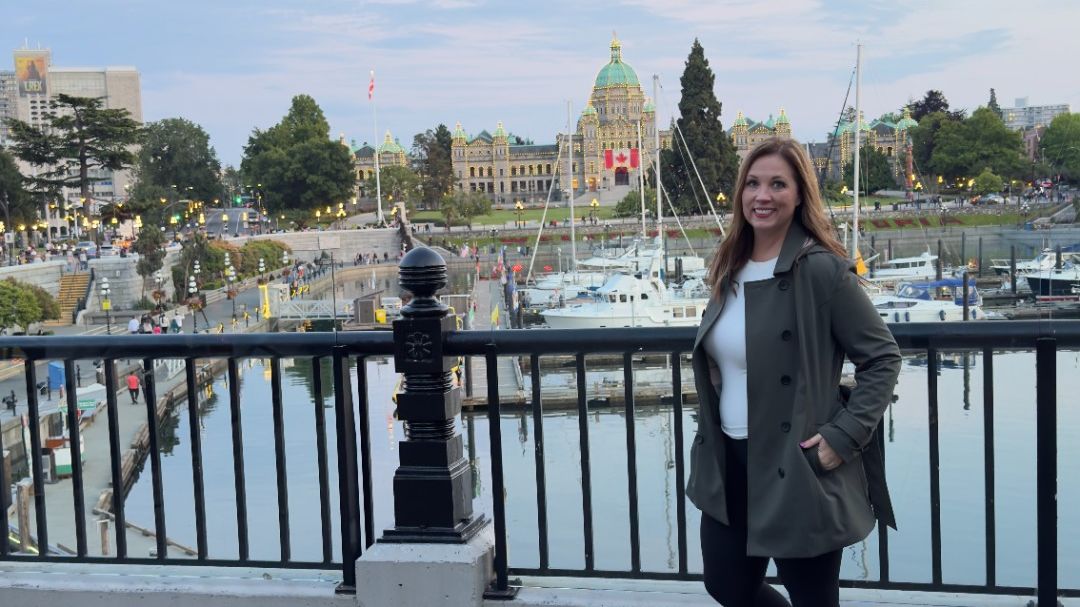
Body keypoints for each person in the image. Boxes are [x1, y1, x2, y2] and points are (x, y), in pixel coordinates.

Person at [689, 137, 901, 607]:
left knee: (812, 599)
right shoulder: (730, 267)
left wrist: (843, 437)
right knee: (726, 584)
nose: (762, 196)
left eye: (778, 184)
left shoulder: (822, 271)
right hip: (730, 460)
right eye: (753, 183)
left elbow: (882, 357)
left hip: (796, 462)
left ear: (800, 194)